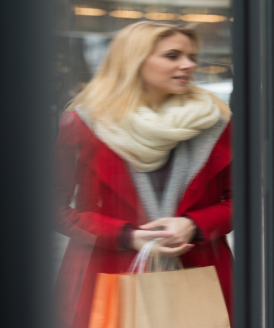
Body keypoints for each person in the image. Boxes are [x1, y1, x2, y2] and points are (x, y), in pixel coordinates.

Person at [53, 21, 233, 327]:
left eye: (191, 55)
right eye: (173, 55)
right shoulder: (83, 124)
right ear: (134, 61)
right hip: (107, 275)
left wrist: (193, 224)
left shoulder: (214, 122)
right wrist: (127, 236)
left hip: (198, 274)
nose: (188, 64)